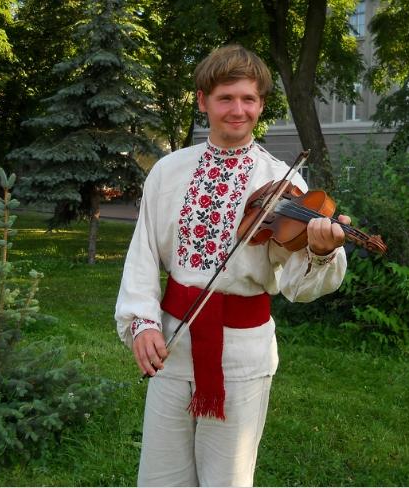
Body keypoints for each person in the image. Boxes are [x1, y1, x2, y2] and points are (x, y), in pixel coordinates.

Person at [115, 44, 351, 487]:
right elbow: (142, 254)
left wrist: (321, 252)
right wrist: (141, 322)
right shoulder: (168, 171)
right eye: (225, 98)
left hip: (243, 355)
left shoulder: (282, 182)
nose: (238, 110)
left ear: (261, 105)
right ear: (203, 101)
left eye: (248, 99)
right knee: (161, 477)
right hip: (172, 344)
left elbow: (298, 285)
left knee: (227, 479)